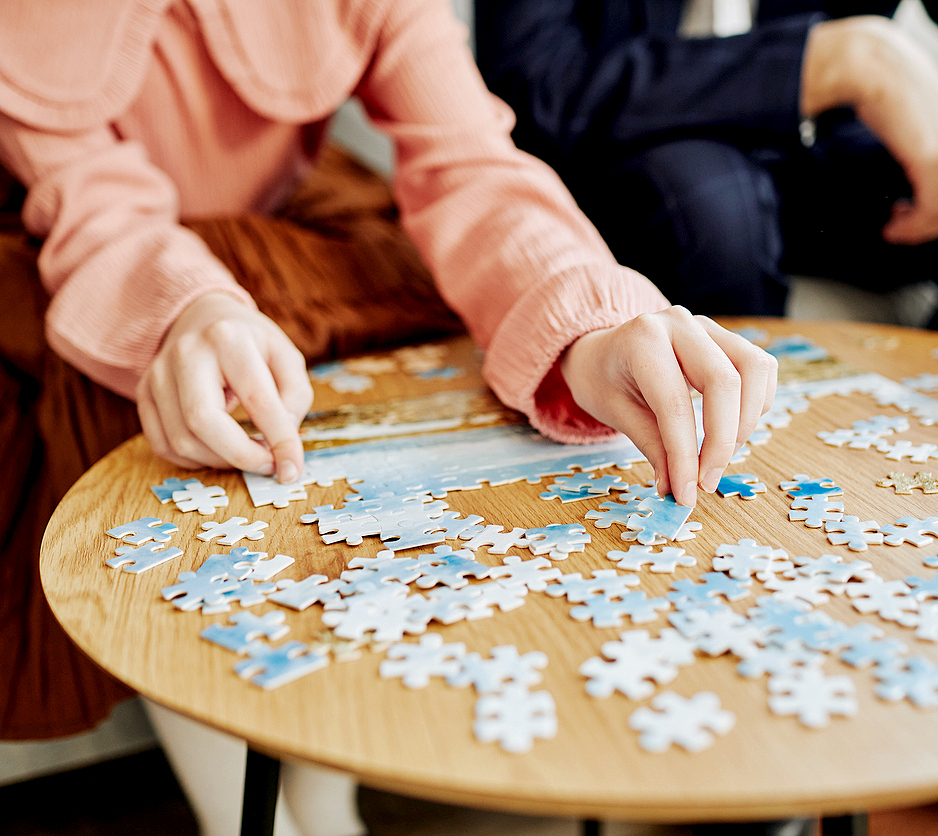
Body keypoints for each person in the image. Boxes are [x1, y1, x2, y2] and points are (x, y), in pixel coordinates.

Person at [0, 1, 776, 834]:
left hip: (289, 216)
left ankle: (329, 773)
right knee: (168, 403)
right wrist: (183, 310)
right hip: (73, 241)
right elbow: (97, 210)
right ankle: (247, 814)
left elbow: (472, 164)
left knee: (413, 352)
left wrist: (591, 326)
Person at [475, 0, 938, 432]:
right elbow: (533, 82)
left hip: (815, 157)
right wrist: (830, 58)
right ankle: (720, 460)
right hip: (631, 159)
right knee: (707, 205)